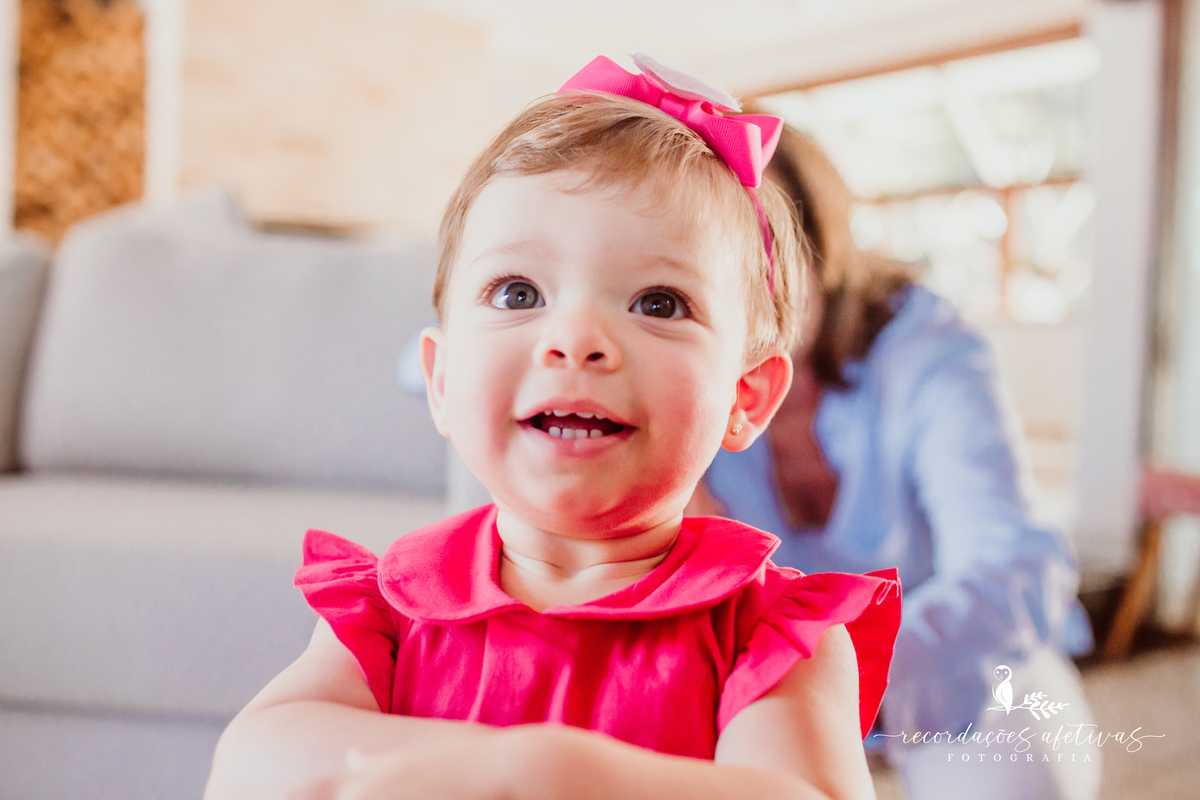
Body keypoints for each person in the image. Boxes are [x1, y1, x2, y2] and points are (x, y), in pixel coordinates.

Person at [203, 55, 902, 800]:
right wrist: (504, 770)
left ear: (746, 397)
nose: (575, 339)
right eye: (518, 291)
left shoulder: (772, 635)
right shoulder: (392, 610)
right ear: (441, 382)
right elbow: (250, 765)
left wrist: (560, 774)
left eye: (658, 303)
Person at [695, 126, 1099, 799]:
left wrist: (853, 686)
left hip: (958, 655)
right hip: (772, 676)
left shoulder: (927, 350)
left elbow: (1010, 561)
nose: (736, 293)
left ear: (819, 251)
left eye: (759, 255)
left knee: (1016, 777)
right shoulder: (684, 371)